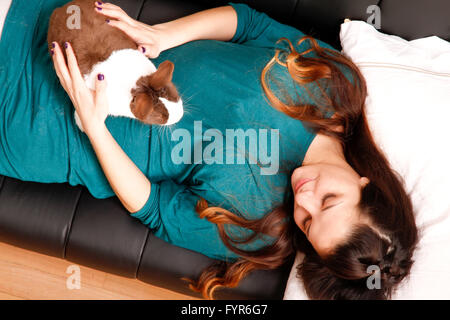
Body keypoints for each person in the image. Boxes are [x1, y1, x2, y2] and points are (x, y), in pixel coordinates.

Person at [0, 0, 417, 299]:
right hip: (70, 35)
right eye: (328, 200)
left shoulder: (261, 233)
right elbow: (250, 26)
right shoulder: (335, 85)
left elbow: (154, 208)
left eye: (307, 222)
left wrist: (93, 127)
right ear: (366, 182)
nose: (304, 198)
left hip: (43, 127)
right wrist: (164, 34)